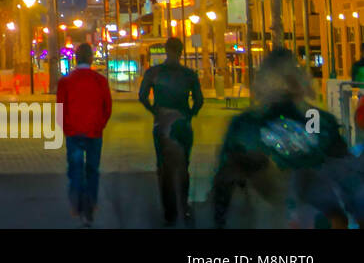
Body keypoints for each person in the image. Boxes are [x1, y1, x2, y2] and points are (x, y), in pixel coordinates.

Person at [212, 48, 363, 228]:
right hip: (317, 213)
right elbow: (349, 182)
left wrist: (219, 219)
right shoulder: (321, 122)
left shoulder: (244, 125)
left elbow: (223, 183)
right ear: (300, 83)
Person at [138, 37, 204, 225]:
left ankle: (170, 212)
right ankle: (184, 205)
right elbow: (199, 100)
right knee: (184, 165)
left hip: (162, 123)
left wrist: (154, 111)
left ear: (166, 50)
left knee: (163, 167)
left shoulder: (153, 72)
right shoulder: (189, 74)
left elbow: (142, 96)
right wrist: (190, 114)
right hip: (182, 122)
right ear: (181, 51)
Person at [56, 43, 112, 227]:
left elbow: (60, 110)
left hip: (74, 132)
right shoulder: (100, 80)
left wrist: (66, 128)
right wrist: (100, 125)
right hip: (94, 132)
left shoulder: (65, 81)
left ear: (75, 59)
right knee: (93, 169)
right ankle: (92, 203)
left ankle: (76, 204)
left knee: (75, 169)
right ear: (91, 59)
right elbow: (107, 108)